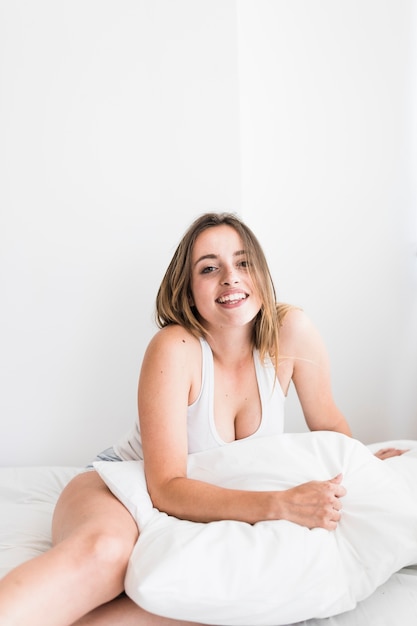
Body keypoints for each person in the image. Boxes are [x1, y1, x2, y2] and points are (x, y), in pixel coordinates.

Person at [0, 212, 406, 626]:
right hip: (125, 484)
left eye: (243, 262)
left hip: (202, 507)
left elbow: (329, 427)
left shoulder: (291, 332)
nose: (231, 277)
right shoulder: (175, 347)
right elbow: (166, 488)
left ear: (262, 275)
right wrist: (279, 505)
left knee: (198, 600)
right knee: (107, 555)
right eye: (210, 268)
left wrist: (366, 469)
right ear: (189, 291)